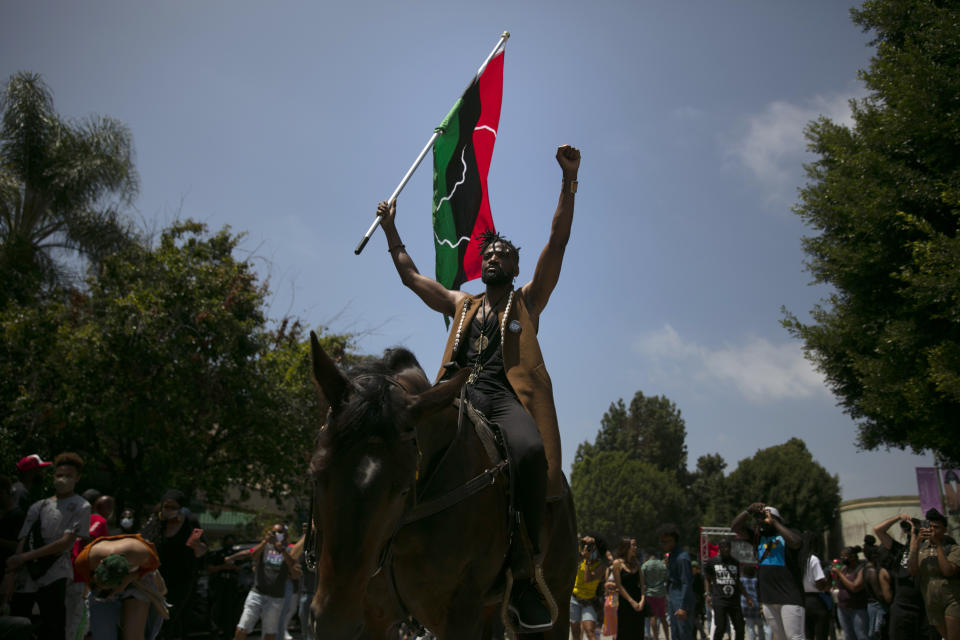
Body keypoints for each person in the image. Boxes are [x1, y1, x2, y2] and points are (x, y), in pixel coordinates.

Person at [376, 143, 580, 633]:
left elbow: (558, 240)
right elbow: (409, 276)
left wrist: (568, 182)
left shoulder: (528, 301)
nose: (494, 257)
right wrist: (390, 229)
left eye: (504, 254)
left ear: (513, 268)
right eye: (489, 252)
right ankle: (379, 550)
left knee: (530, 453)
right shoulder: (460, 303)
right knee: (393, 434)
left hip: (505, 398)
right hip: (457, 394)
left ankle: (527, 571)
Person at [3, 452, 90, 640]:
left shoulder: (82, 506)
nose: (62, 479)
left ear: (77, 478)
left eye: (68, 476)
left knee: (53, 627)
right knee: (20, 624)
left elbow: (65, 542)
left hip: (54, 574)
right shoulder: (38, 506)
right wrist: (12, 571)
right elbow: (23, 540)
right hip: (26, 576)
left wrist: (24, 557)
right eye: (59, 475)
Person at [73, 533, 168, 639]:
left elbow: (150, 569)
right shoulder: (84, 561)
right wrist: (100, 591)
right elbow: (86, 589)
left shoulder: (141, 553)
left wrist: (129, 579)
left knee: (133, 636)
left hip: (138, 579)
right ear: (99, 564)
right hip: (101, 586)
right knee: (103, 635)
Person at [731, 503, 804, 640]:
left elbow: (796, 542)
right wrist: (748, 511)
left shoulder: (789, 533)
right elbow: (735, 527)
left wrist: (774, 523)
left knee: (795, 637)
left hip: (789, 596)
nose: (762, 521)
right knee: (781, 637)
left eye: (765, 517)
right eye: (760, 518)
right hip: (768, 598)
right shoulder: (757, 538)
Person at [142, 489, 206, 639]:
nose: (169, 511)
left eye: (173, 507)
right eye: (166, 507)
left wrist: (196, 545)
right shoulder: (155, 523)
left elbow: (202, 551)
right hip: (155, 579)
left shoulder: (190, 524)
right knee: (150, 621)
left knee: (169, 620)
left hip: (180, 582)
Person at [233, 523, 300, 640]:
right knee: (243, 626)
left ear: (286, 535)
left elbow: (294, 569)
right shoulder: (264, 546)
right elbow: (253, 556)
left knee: (270, 632)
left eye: (279, 532)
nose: (276, 535)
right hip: (257, 594)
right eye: (273, 532)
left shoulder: (290, 549)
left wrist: (282, 550)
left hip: (276, 597)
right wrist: (264, 542)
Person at [874, 512, 929, 639]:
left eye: (916, 528)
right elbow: (878, 530)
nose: (912, 531)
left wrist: (918, 537)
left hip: (922, 608)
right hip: (901, 608)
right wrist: (898, 517)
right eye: (910, 528)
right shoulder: (899, 550)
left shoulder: (927, 551)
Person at [908, 508, 960, 640]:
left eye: (936, 527)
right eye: (929, 527)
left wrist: (938, 546)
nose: (932, 530)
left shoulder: (953, 548)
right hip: (931, 601)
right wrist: (916, 543)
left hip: (952, 599)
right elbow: (912, 570)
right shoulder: (922, 549)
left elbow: (948, 571)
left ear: (944, 530)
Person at [705, 539, 749, 640]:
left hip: (734, 600)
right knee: (720, 627)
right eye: (724, 547)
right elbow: (707, 578)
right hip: (719, 599)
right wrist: (707, 594)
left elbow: (738, 582)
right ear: (719, 549)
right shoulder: (712, 562)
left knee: (740, 627)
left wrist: (747, 597)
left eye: (728, 547)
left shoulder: (735, 562)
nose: (726, 549)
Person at [657, 523, 694, 640]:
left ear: (673, 541)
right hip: (673, 599)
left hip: (681, 601)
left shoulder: (682, 558)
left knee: (683, 633)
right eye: (661, 542)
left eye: (665, 542)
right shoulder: (672, 556)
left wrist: (683, 607)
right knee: (675, 634)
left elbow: (686, 583)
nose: (662, 545)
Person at [570, 534, 606, 640]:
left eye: (593, 548)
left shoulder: (601, 565)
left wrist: (587, 560)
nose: (591, 550)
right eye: (589, 547)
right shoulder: (580, 558)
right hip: (574, 599)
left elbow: (587, 579)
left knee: (589, 631)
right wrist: (582, 541)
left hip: (589, 601)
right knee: (575, 632)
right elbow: (571, 549)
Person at [207, 534, 241, 640]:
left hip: (232, 584)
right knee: (217, 608)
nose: (230, 544)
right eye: (228, 542)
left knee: (231, 609)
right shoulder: (218, 554)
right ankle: (216, 630)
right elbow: (210, 568)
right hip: (219, 584)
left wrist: (233, 567)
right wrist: (223, 567)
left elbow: (240, 567)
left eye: (231, 542)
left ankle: (229, 632)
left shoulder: (236, 554)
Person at [831, 546, 868, 640]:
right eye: (841, 557)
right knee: (848, 636)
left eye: (845, 557)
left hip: (857, 608)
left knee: (861, 635)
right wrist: (835, 575)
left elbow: (854, 587)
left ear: (852, 557)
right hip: (842, 608)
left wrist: (839, 574)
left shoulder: (861, 569)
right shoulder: (844, 569)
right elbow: (837, 585)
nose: (843, 559)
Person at [798, 532, 830, 640]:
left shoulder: (798, 559)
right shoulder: (813, 559)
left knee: (808, 635)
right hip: (816, 601)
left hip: (802, 600)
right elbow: (820, 585)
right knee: (821, 634)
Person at [612, 537, 645, 638]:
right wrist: (631, 601)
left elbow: (642, 584)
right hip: (625, 602)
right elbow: (619, 585)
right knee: (625, 632)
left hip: (638, 601)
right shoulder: (617, 563)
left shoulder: (637, 563)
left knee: (638, 632)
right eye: (633, 545)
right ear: (626, 547)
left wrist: (642, 600)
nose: (635, 547)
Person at [642, 549, 670, 640]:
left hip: (650, 593)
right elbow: (666, 577)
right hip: (661, 593)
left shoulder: (645, 565)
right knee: (663, 617)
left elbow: (642, 580)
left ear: (648, 555)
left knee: (653, 617)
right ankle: (667, 637)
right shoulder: (662, 565)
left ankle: (655, 638)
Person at [739, 564, 764, 640]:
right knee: (760, 625)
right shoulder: (756, 580)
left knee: (750, 626)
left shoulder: (742, 580)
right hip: (757, 605)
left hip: (746, 605)